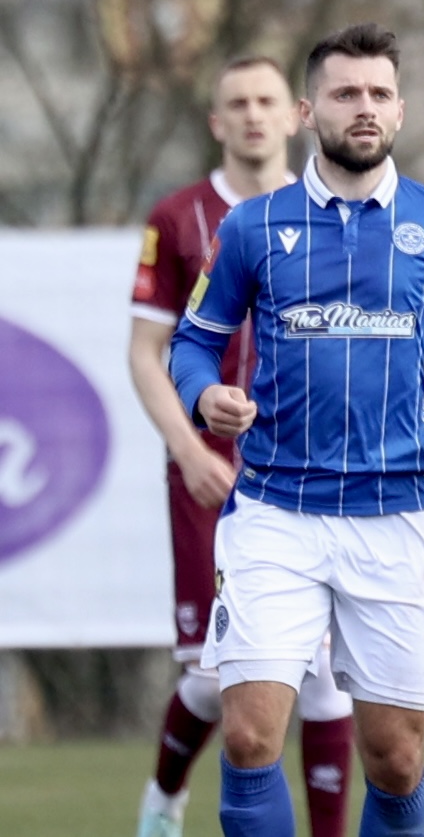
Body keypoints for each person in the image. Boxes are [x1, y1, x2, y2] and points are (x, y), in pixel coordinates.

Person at [168, 23, 424, 837]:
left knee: (395, 759)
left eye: (377, 94)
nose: (362, 108)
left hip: (399, 514)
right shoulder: (254, 227)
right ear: (309, 110)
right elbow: (191, 342)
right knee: (250, 733)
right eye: (344, 93)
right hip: (275, 509)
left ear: (400, 110)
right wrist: (203, 397)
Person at [128, 57, 354, 837]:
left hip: (316, 474)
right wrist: (188, 449)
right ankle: (162, 801)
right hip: (215, 476)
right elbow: (145, 351)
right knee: (214, 670)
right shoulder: (180, 216)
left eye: (266, 100)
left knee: (325, 672)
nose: (253, 115)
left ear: (294, 114)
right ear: (217, 121)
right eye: (236, 103)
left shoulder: (336, 208)